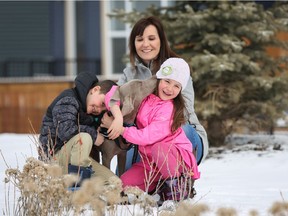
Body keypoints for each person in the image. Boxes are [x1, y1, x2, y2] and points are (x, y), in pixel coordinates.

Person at [113, 16, 208, 172]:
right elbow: (114, 98)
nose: (145, 44)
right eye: (139, 39)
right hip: (142, 139)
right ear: (133, 43)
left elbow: (183, 111)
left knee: (177, 127)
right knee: (125, 173)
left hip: (182, 135)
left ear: (161, 41)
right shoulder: (129, 74)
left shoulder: (178, 69)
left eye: (151, 38)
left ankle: (179, 180)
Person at [113, 58, 200, 201]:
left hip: (174, 161)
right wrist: (116, 114)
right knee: (122, 185)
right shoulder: (145, 98)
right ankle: (160, 187)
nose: (170, 88)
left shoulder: (169, 108)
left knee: (159, 148)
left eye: (176, 86)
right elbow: (115, 94)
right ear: (159, 79)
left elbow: (146, 137)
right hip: (150, 165)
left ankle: (177, 190)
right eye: (167, 81)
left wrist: (122, 130)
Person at [38, 71, 119, 186]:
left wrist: (113, 121)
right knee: (84, 138)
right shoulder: (69, 99)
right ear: (95, 89)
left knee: (114, 184)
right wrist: (94, 135)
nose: (99, 109)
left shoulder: (92, 113)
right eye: (101, 103)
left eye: (103, 109)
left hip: (78, 163)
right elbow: (65, 131)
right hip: (55, 159)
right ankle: (76, 189)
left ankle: (87, 190)